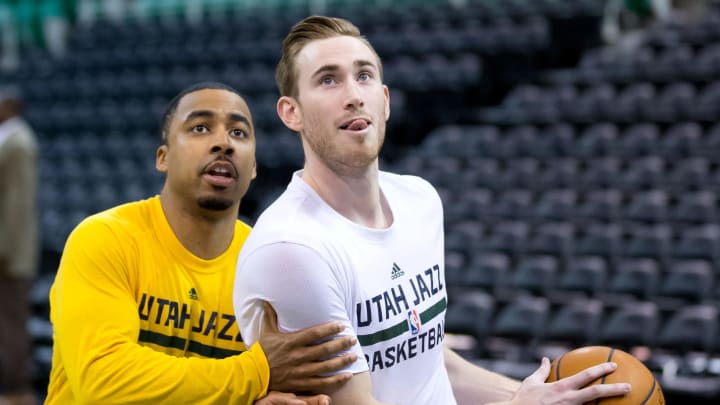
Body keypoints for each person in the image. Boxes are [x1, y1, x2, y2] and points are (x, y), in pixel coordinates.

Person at [233, 16, 633, 404]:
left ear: (385, 101)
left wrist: (543, 395)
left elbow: (434, 366)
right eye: (328, 79)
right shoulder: (294, 248)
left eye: (364, 75)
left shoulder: (419, 201)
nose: (353, 94)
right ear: (291, 113)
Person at [45, 82, 358, 405]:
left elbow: (282, 382)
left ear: (252, 168)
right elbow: (104, 384)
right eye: (200, 128)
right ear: (163, 158)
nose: (223, 143)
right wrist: (254, 374)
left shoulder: (270, 261)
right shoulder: (104, 239)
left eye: (238, 133)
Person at [0, 86, 39, 405]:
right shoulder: (9, 139)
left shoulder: (19, 142)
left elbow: (17, 203)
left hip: (10, 253)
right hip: (8, 248)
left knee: (12, 321)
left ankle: (15, 387)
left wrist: (5, 249)